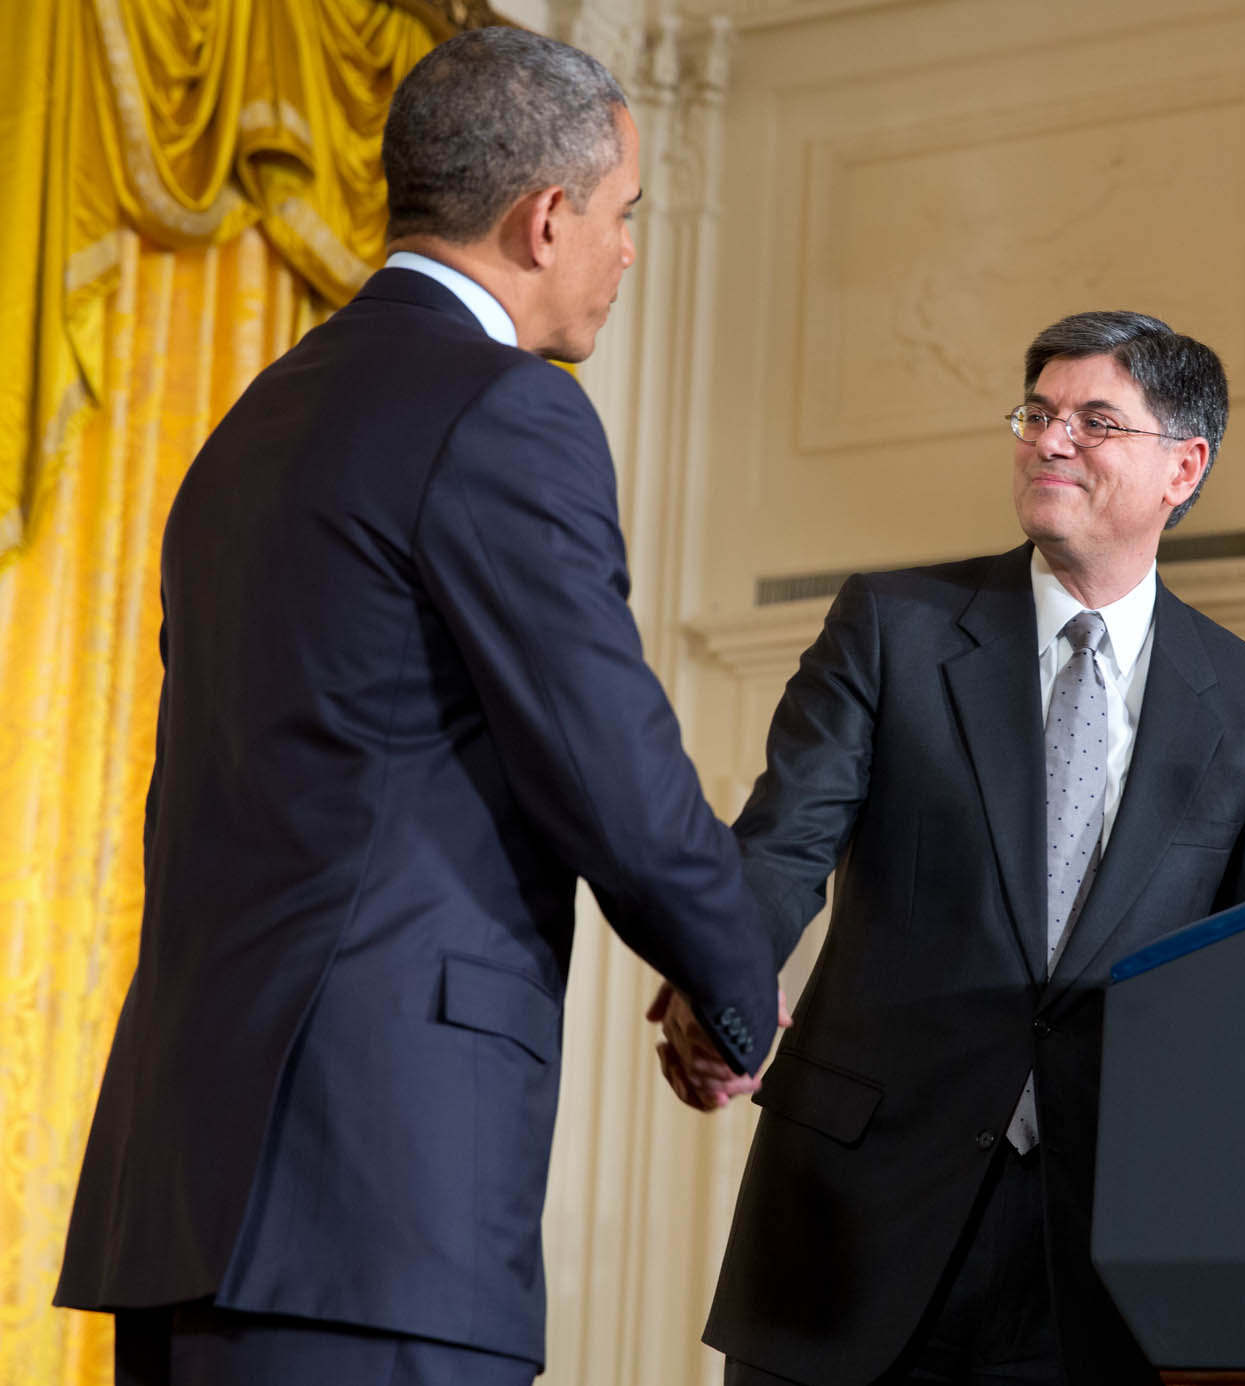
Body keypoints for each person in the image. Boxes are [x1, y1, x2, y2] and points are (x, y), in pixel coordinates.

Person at [55, 28, 778, 1386]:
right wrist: (735, 987)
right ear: (546, 217)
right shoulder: (507, 412)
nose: (627, 254)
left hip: (186, 1189)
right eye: (623, 218)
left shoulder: (250, 424)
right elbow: (604, 758)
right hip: (368, 1194)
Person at [653, 311, 1245, 1385]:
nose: (1050, 440)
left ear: (1183, 467)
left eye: (1096, 421)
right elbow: (782, 846)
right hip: (855, 1222)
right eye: (1038, 414)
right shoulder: (893, 625)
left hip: (1099, 1254)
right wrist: (720, 981)